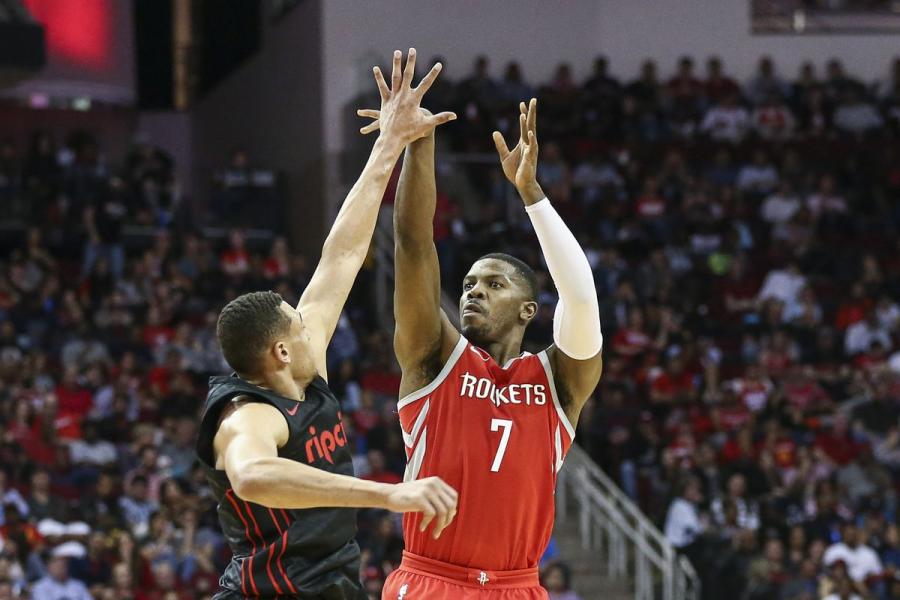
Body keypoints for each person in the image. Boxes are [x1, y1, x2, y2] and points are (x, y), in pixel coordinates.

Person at [195, 49, 460, 600]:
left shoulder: (295, 364)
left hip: (331, 584)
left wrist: (389, 144)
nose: (311, 321)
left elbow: (340, 255)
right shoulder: (248, 416)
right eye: (298, 324)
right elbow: (251, 477)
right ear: (281, 353)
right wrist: (387, 496)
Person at [361, 98, 603, 598]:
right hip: (432, 579)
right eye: (470, 283)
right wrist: (418, 142)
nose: (472, 291)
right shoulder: (434, 357)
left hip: (520, 586)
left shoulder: (559, 382)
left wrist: (532, 194)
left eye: (493, 285)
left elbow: (581, 296)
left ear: (528, 310)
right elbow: (412, 244)